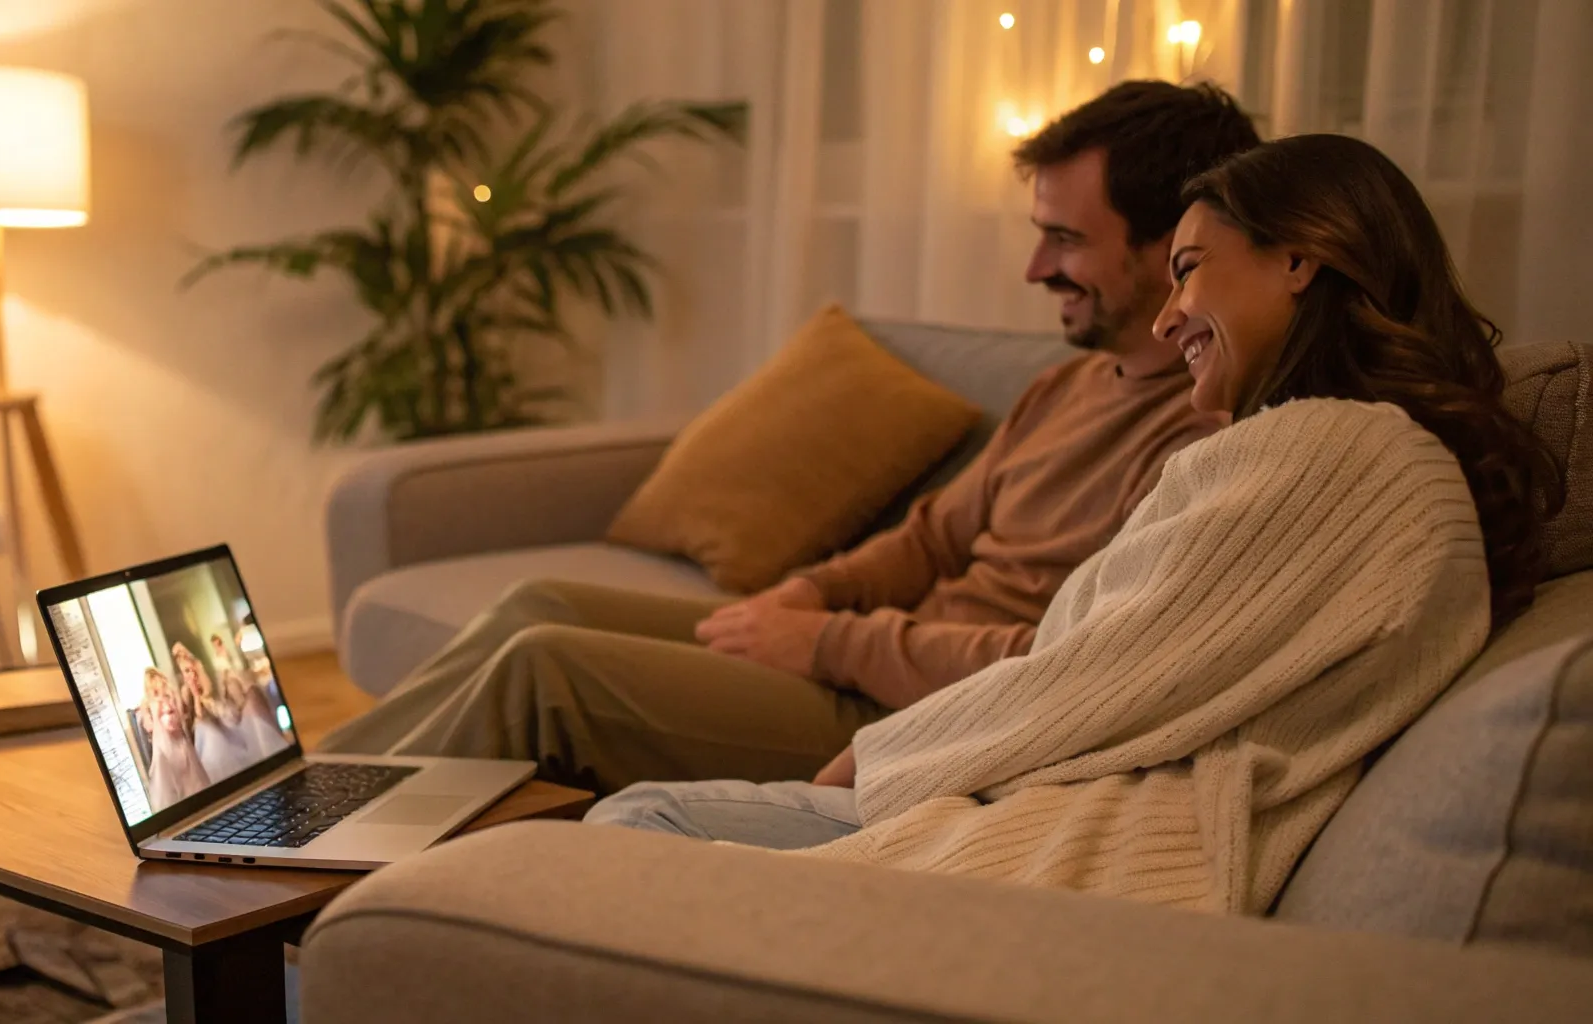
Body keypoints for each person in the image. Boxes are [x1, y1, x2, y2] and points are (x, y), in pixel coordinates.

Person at [585, 133, 1561, 915]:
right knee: (626, 813)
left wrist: (885, 753)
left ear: (1298, 258)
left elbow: (1103, 675)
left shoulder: (1338, 454)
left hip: (1092, 830)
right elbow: (1111, 653)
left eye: (1190, 270)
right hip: (1031, 783)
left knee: (631, 831)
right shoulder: (1327, 451)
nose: (1171, 313)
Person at [318, 81, 1256, 795]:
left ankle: (294, 879)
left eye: (1066, 241)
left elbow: (1063, 664)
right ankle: (281, 808)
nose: (1034, 267)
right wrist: (807, 593)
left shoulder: (1201, 441)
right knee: (538, 604)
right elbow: (931, 538)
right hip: (864, 654)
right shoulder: (1067, 383)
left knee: (545, 669)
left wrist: (827, 642)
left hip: (909, 711)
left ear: (1170, 242)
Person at [137, 666, 211, 809]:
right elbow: (149, 726)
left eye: (162, 688)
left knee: (190, 774)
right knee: (169, 777)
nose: (161, 695)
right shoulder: (147, 704)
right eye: (156, 691)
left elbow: (180, 715)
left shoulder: (170, 698)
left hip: (179, 742)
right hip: (163, 745)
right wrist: (153, 712)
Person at [171, 641, 244, 780]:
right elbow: (196, 717)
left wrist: (203, 696)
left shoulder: (207, 683)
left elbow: (219, 710)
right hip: (200, 735)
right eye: (185, 671)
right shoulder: (185, 692)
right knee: (207, 735)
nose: (190, 674)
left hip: (219, 727)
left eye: (191, 670)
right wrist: (195, 694)